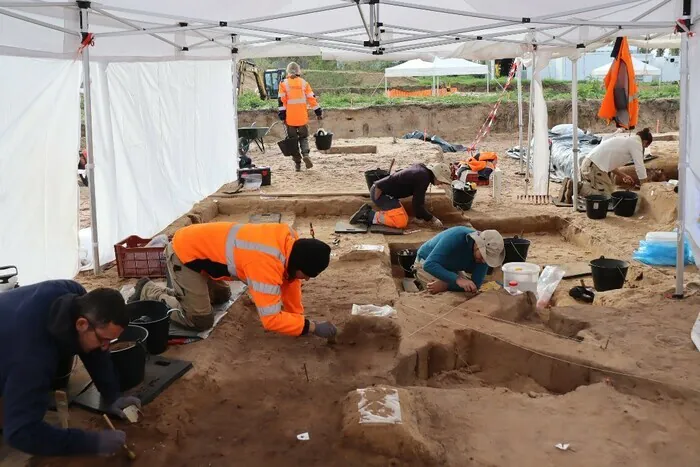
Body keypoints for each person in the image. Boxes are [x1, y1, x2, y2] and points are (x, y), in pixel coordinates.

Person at [0, 280, 140, 457]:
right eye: (103, 339)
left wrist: (112, 395)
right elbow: (20, 433)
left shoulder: (74, 293)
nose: (106, 347)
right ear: (81, 324)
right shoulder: (34, 356)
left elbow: (95, 351)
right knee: (14, 419)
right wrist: (89, 443)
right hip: (13, 343)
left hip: (9, 325)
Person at [129, 222, 336, 339]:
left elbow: (290, 283)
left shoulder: (289, 245)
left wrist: (297, 320)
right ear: (298, 265)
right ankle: (149, 290)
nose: (307, 279)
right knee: (200, 320)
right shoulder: (265, 263)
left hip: (203, 253)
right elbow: (271, 319)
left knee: (222, 296)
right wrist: (312, 327)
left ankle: (188, 293)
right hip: (184, 256)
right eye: (307, 274)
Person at [349, 163, 453, 229]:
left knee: (405, 218)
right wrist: (432, 219)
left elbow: (418, 202)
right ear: (437, 175)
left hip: (385, 193)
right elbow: (418, 205)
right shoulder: (423, 178)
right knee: (401, 222)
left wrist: (420, 216)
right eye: (441, 180)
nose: (441, 183)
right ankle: (370, 215)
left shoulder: (423, 172)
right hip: (380, 194)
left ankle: (380, 213)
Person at [414, 226, 504, 294]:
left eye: (487, 259)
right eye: (483, 256)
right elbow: (429, 265)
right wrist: (457, 280)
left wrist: (446, 285)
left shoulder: (483, 258)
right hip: (427, 261)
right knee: (437, 295)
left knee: (469, 289)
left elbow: (476, 284)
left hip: (451, 267)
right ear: (477, 244)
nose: (484, 262)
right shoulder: (456, 237)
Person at [579, 128, 653, 197]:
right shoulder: (636, 143)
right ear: (645, 142)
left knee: (611, 191)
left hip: (591, 164)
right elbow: (640, 167)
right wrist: (645, 186)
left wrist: (623, 175)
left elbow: (608, 164)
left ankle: (582, 186)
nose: (643, 149)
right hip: (592, 167)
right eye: (645, 147)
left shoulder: (627, 141)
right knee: (606, 196)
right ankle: (578, 188)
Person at [278, 62, 323, 172]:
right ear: (298, 71)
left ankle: (297, 163)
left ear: (287, 71)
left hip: (290, 119)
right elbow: (312, 99)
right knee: (304, 138)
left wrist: (282, 116)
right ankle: (305, 154)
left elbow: (281, 102)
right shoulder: (304, 83)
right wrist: (318, 112)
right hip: (302, 117)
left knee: (293, 141)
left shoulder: (283, 84)